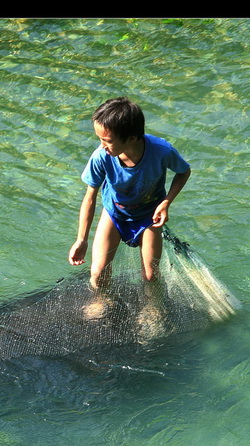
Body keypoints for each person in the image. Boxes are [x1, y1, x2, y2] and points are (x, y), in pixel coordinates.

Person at [68, 97, 191, 319]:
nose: (102, 145)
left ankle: (154, 307)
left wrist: (166, 202)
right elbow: (90, 197)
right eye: (99, 139)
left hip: (149, 216)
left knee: (151, 274)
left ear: (132, 138)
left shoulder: (161, 151)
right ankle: (102, 299)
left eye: (107, 140)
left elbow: (183, 171)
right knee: (98, 272)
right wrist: (82, 239)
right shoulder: (101, 157)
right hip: (115, 214)